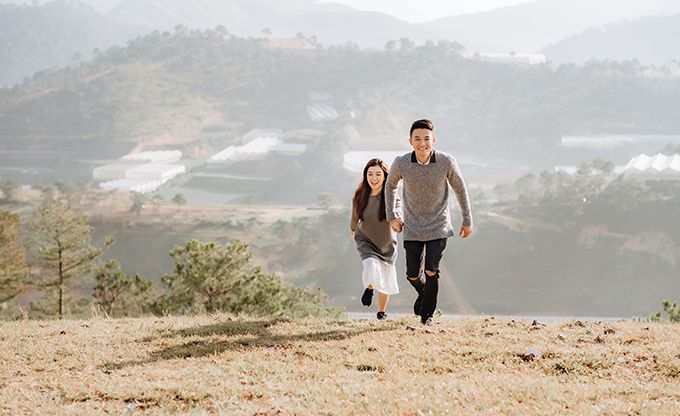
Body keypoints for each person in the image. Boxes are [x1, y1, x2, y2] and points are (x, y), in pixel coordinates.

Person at [385, 119, 473, 325]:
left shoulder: (446, 161)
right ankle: (424, 292)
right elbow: (390, 186)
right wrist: (392, 216)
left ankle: (427, 316)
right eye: (417, 139)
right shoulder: (401, 163)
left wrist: (467, 219)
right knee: (412, 275)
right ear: (410, 141)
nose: (422, 143)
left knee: (431, 270)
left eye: (426, 138)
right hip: (412, 226)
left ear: (434, 140)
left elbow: (460, 189)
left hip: (438, 225)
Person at [350, 158, 402, 320]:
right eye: (370, 174)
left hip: (387, 245)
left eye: (378, 174)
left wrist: (398, 220)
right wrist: (354, 230)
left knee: (386, 277)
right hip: (366, 241)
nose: (374, 178)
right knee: (372, 266)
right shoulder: (360, 195)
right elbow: (354, 219)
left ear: (385, 176)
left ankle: (381, 312)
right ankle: (369, 288)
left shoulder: (390, 196)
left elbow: (398, 210)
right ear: (365, 175)